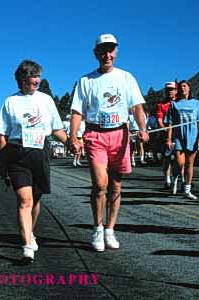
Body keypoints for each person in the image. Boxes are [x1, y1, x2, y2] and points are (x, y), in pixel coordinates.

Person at [70, 33, 149, 251]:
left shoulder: (126, 78)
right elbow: (77, 111)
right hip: (96, 135)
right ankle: (97, 229)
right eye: (103, 50)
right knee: (99, 184)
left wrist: (142, 129)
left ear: (116, 51)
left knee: (115, 186)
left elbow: (137, 107)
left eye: (111, 49)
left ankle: (110, 230)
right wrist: (73, 136)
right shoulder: (86, 81)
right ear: (96, 53)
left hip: (120, 135)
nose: (108, 54)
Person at [0, 60, 68, 262]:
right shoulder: (11, 101)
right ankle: (27, 245)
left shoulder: (46, 100)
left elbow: (56, 128)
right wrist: (3, 163)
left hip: (40, 153)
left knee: (35, 200)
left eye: (38, 77)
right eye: (32, 77)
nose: (37, 80)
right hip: (17, 153)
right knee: (25, 200)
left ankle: (31, 232)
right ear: (22, 80)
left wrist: (72, 142)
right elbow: (2, 134)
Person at [165, 80, 199, 199]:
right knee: (180, 162)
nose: (183, 88)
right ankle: (174, 178)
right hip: (178, 137)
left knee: (189, 164)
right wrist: (168, 139)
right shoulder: (174, 104)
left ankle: (187, 189)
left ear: (189, 88)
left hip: (192, 137)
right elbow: (170, 123)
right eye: (180, 87)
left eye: (185, 86)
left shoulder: (196, 103)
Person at [157, 82, 178, 188]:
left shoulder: (180, 102)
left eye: (172, 89)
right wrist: (165, 130)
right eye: (168, 90)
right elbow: (160, 120)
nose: (170, 91)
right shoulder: (161, 105)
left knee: (179, 158)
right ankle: (167, 179)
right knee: (167, 158)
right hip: (165, 134)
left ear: (176, 90)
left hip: (179, 134)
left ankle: (181, 179)